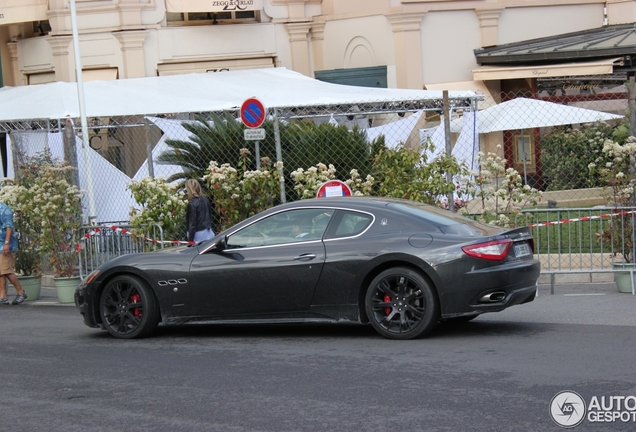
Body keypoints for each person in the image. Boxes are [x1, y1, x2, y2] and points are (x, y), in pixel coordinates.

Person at [0, 202, 27, 305]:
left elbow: (9, 227)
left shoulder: (4, 209)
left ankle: (21, 292)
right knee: (1, 271)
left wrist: (7, 244)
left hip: (6, 245)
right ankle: (3, 297)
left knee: (6, 270)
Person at [185, 179, 215, 243]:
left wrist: (190, 241)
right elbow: (209, 215)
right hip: (208, 232)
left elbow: (192, 224)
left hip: (198, 235)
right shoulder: (205, 199)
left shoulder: (192, 203)